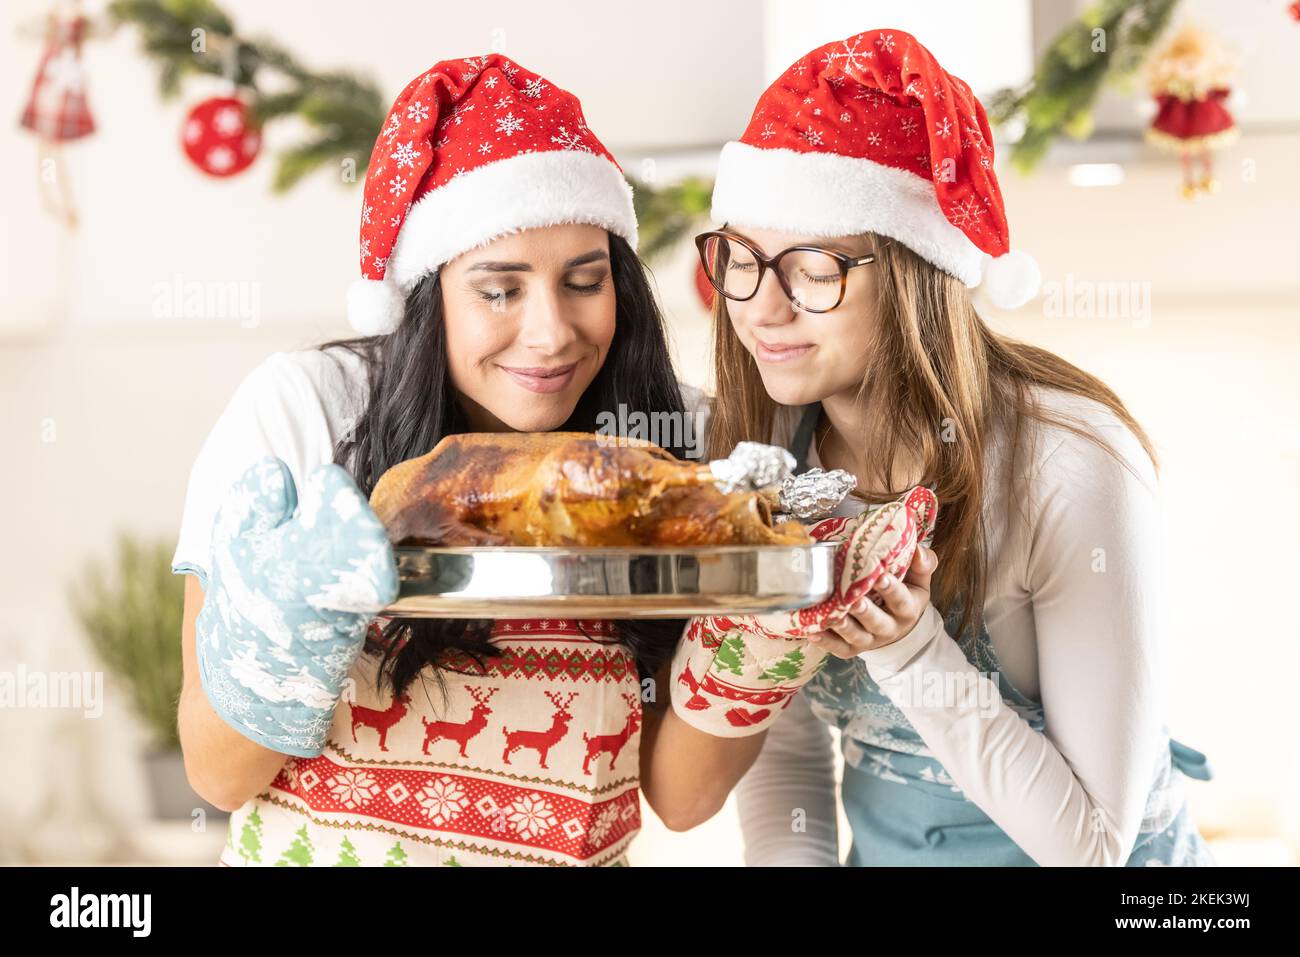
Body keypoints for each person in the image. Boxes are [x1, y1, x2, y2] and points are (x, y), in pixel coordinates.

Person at [170, 53, 749, 867]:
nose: (552, 332)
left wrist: (762, 638)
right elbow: (215, 773)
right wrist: (296, 622)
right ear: (426, 294)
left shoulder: (670, 441)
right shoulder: (307, 412)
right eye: (499, 289)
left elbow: (681, 799)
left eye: (585, 281)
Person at [676, 28, 1215, 866]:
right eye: (741, 258)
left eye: (814, 268)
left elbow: (1093, 845)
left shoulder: (1070, 467)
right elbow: (782, 755)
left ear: (915, 267)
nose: (761, 309)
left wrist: (909, 649)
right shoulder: (769, 458)